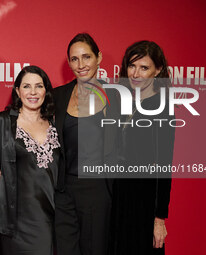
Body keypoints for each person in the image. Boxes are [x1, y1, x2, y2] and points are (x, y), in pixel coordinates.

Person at [53, 33, 119, 255]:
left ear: (98, 57)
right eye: (74, 59)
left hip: (98, 190)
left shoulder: (116, 96)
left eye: (86, 57)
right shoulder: (58, 96)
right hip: (63, 190)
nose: (80, 65)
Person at [110, 41, 175, 255]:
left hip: (143, 201)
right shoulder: (121, 100)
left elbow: (165, 164)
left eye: (144, 68)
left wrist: (159, 218)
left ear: (158, 70)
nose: (135, 73)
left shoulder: (163, 107)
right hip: (117, 197)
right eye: (132, 66)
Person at [0, 65, 60, 255]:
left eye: (39, 86)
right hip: (15, 219)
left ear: (46, 90)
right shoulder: (2, 122)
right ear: (17, 91)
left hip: (51, 216)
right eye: (27, 86)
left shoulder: (56, 124)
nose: (33, 92)